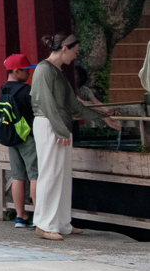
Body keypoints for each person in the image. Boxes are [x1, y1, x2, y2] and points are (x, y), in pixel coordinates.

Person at [30, 32, 117, 241]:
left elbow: (74, 105)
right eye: (74, 52)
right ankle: (44, 224)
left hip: (59, 124)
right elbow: (46, 103)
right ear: (64, 49)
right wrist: (60, 129)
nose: (75, 57)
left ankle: (61, 223)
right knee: (50, 174)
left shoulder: (58, 71)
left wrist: (101, 117)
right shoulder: (43, 69)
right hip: (49, 124)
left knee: (62, 174)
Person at [0, 54, 39, 228]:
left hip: (12, 136)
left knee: (18, 176)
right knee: (35, 175)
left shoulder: (2, 89)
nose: (29, 74)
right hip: (27, 134)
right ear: (16, 71)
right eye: (26, 70)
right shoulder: (25, 90)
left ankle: (20, 216)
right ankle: (40, 216)